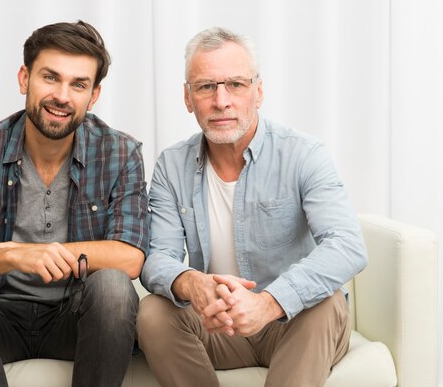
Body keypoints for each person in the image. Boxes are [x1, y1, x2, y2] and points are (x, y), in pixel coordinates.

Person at [0, 20, 149, 387]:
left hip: (75, 319)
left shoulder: (119, 152)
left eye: (78, 84)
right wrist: (11, 257)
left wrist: (13, 247)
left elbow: (129, 258)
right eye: (50, 77)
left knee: (113, 287)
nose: (63, 96)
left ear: (93, 95)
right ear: (24, 78)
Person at [137, 27, 368, 387]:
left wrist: (269, 302)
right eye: (206, 87)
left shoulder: (303, 154)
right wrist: (190, 281)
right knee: (153, 312)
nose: (221, 101)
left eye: (236, 85)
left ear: (258, 92)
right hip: (220, 325)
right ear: (188, 97)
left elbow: (347, 245)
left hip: (294, 323)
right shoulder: (171, 165)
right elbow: (157, 258)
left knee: (326, 302)